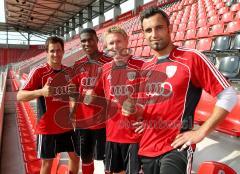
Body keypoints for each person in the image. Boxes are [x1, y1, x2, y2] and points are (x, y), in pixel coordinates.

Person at [133, 7, 238, 174]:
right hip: (146, 145)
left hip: (176, 145)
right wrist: (137, 114)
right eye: (148, 30)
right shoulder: (145, 67)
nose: (154, 34)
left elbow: (228, 95)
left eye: (159, 27)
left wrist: (202, 132)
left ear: (169, 28)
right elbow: (144, 106)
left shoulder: (191, 57)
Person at [17, 36, 80, 174]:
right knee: (47, 164)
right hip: (47, 128)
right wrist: (41, 92)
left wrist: (74, 107)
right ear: (47, 52)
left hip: (66, 126)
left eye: (58, 50)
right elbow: (20, 96)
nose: (55, 54)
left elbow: (74, 95)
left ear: (63, 51)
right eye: (52, 51)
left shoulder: (69, 72)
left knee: (75, 157)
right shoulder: (39, 71)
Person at [95, 26, 145, 174]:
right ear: (106, 47)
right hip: (112, 134)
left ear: (127, 41)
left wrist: (145, 117)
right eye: (111, 43)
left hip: (134, 136)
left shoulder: (142, 66)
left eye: (119, 41)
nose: (115, 46)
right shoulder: (104, 69)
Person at [70, 28, 112, 174]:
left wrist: (98, 96)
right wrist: (72, 112)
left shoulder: (109, 62)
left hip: (105, 122)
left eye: (90, 40)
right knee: (86, 158)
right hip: (83, 122)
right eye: (83, 41)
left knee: (108, 160)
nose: (86, 43)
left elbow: (115, 91)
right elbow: (73, 90)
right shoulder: (78, 64)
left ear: (96, 40)